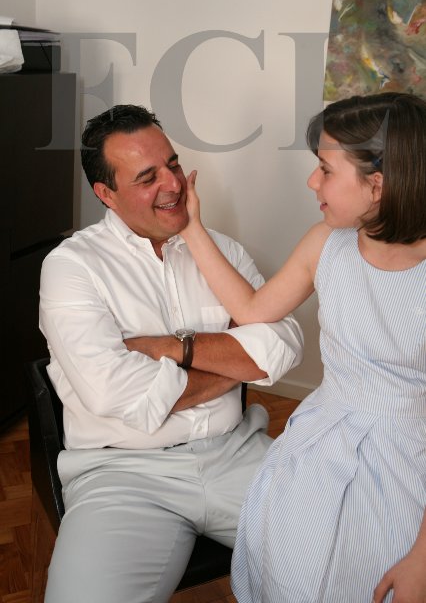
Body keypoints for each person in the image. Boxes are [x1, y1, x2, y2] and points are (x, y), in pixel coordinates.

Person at [39, 104, 303, 603]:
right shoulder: (71, 267)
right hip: (122, 475)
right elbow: (115, 392)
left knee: (362, 560)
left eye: (173, 164)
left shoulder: (221, 250)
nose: (174, 184)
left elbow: (284, 344)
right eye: (147, 177)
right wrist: (237, 363)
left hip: (238, 453)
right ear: (106, 194)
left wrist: (173, 348)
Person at [180, 92, 426, 603]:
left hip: (409, 464)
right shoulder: (325, 244)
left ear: (378, 184)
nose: (313, 182)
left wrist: (422, 559)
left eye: (326, 170)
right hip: (318, 444)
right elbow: (251, 309)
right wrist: (191, 227)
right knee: (291, 576)